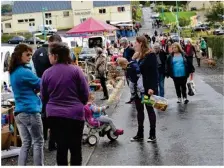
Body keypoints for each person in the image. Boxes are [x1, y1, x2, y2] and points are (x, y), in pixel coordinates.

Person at [41, 42, 89, 165]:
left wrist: (49, 108)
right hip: (75, 115)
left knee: (61, 148)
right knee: (75, 149)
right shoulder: (76, 70)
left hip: (55, 115)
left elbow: (44, 97)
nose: (49, 57)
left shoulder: (47, 73)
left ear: (56, 56)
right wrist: (79, 104)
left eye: (50, 55)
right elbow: (85, 93)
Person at [9, 44, 44, 166]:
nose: (30, 57)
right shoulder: (25, 72)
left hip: (19, 112)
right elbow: (42, 84)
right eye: (27, 54)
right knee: (38, 142)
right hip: (30, 110)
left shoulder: (13, 72)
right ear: (19, 56)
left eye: (30, 54)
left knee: (26, 143)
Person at [32, 34, 62, 151]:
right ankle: (52, 143)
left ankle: (43, 139)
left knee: (44, 114)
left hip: (41, 86)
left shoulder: (36, 53)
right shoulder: (52, 54)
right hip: (53, 87)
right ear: (53, 42)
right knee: (54, 115)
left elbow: (34, 71)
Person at [131, 36, 158, 142]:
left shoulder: (150, 55)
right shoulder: (137, 55)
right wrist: (133, 59)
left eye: (135, 43)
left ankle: (152, 134)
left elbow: (154, 73)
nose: (134, 45)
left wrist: (152, 87)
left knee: (149, 109)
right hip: (137, 89)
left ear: (141, 43)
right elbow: (131, 70)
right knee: (139, 111)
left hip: (146, 89)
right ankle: (140, 133)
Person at [120, 37, 135, 103]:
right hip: (126, 69)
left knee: (132, 83)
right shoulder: (125, 50)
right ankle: (133, 96)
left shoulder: (131, 49)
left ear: (125, 43)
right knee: (129, 83)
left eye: (122, 43)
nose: (121, 44)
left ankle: (134, 97)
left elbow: (133, 59)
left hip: (130, 69)